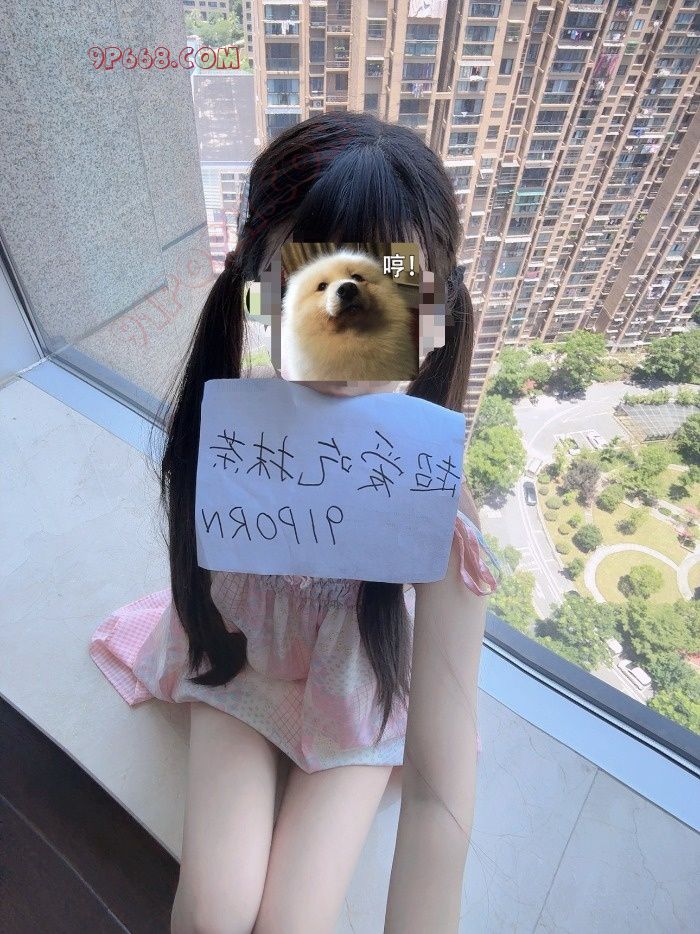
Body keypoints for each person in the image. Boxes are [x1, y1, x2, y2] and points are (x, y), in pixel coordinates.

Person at [89, 111, 501, 934]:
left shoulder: (433, 499)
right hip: (244, 661)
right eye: (313, 289)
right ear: (262, 292)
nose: (345, 336)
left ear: (431, 318)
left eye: (386, 295)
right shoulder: (233, 434)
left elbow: (440, 796)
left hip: (360, 690)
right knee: (214, 910)